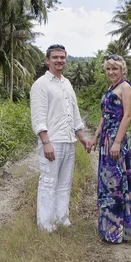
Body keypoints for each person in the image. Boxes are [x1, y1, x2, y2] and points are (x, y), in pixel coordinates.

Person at [30, 44, 92, 232]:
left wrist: (82, 138)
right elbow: (39, 117)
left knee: (65, 182)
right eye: (55, 57)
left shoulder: (67, 84)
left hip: (68, 141)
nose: (59, 60)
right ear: (47, 60)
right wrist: (46, 142)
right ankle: (45, 223)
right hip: (52, 141)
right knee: (49, 182)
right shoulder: (41, 84)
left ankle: (61, 217)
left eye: (62, 57)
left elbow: (74, 114)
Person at [91, 54, 131, 243]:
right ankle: (108, 225)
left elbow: (127, 116)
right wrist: (96, 135)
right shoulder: (111, 88)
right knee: (106, 182)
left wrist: (117, 142)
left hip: (116, 138)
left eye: (115, 69)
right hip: (105, 139)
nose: (111, 72)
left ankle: (118, 229)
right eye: (108, 69)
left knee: (116, 183)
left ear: (122, 70)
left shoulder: (125, 87)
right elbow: (105, 115)